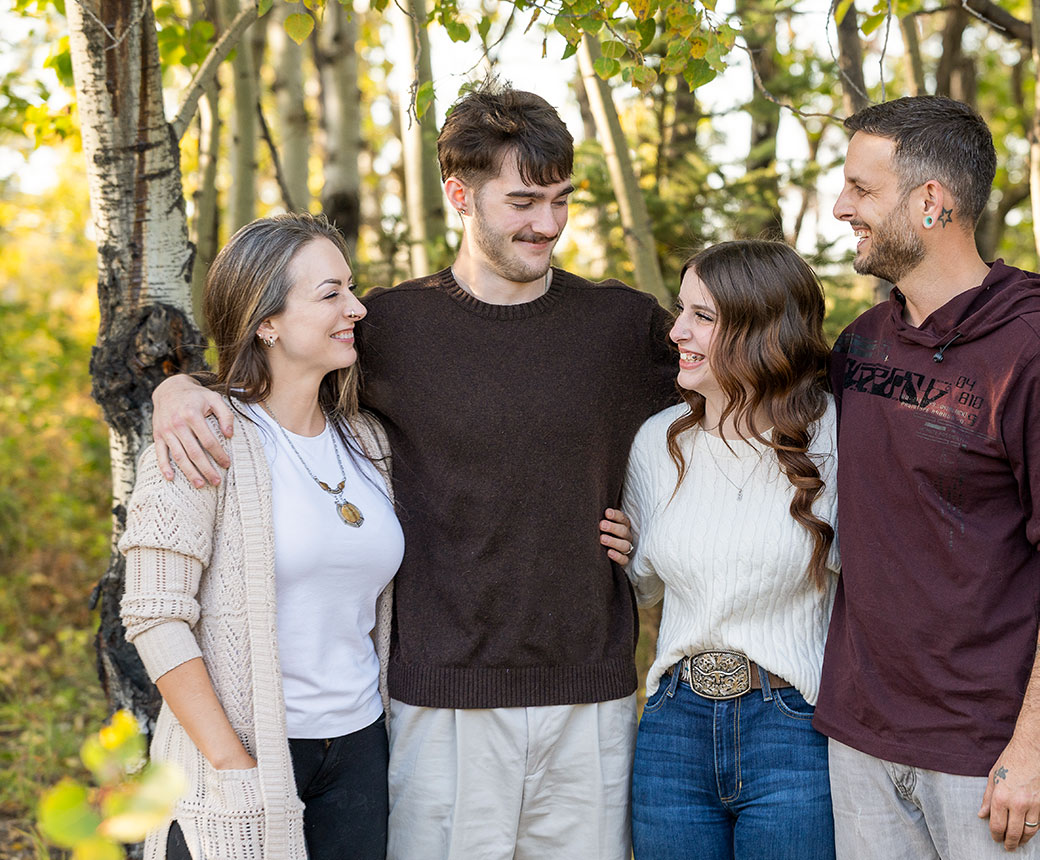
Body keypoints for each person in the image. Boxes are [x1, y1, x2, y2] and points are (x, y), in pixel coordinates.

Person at [147, 82, 675, 860]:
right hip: (438, 702)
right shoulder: (384, 326)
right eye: (523, 201)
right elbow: (273, 368)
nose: (548, 223)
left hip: (590, 698)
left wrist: (655, 532)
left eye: (562, 199)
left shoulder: (622, 326)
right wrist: (177, 388)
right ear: (460, 194)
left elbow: (740, 404)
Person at [817, 95, 1040, 858]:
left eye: (860, 188)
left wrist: (1034, 746)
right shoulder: (860, 344)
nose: (840, 207)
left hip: (990, 760)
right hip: (862, 743)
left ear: (930, 201)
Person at [120, 213, 403, 860]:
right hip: (241, 756)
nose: (356, 308)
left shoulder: (369, 442)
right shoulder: (200, 438)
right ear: (266, 322)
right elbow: (155, 618)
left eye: (351, 287)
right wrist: (232, 765)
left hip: (361, 750)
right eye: (330, 294)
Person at [622, 240, 839, 860]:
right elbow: (645, 589)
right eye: (681, 310)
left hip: (794, 727)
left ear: (762, 331)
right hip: (673, 728)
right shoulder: (657, 442)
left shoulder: (832, 436)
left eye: (703, 316)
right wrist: (620, 548)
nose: (676, 331)